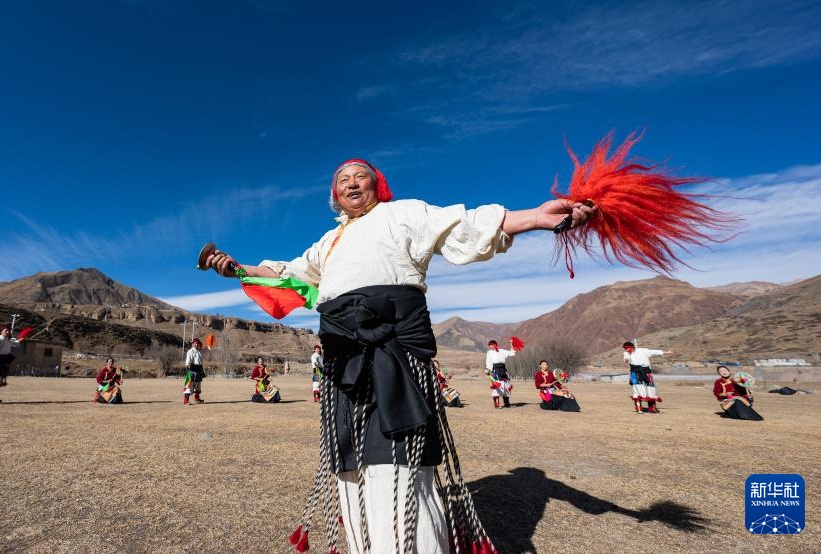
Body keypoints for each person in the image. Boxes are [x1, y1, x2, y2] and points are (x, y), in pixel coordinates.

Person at [201, 157, 593, 553]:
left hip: (396, 352)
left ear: (378, 185)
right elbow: (289, 274)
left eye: (361, 177)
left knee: (397, 463)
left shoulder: (404, 213)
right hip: (342, 358)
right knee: (349, 465)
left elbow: (465, 224)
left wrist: (537, 217)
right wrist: (236, 268)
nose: (351, 184)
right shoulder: (329, 242)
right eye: (342, 180)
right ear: (335, 194)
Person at [623, 342, 671, 414]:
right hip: (635, 372)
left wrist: (667, 352)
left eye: (627, 348)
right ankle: (639, 408)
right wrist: (627, 357)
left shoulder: (643, 351)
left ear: (632, 347)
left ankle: (652, 408)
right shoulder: (626, 353)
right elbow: (626, 359)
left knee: (651, 389)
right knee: (637, 389)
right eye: (625, 348)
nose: (626, 349)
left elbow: (654, 352)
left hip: (646, 371)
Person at [485, 339, 515, 409]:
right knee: (497, 387)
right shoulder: (489, 353)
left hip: (503, 370)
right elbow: (488, 362)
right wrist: (489, 370)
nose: (491, 346)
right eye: (490, 345)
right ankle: (497, 404)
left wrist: (511, 344)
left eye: (492, 345)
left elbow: (512, 353)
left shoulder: (502, 351)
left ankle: (507, 403)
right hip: (495, 371)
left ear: (496, 345)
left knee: (506, 386)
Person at [183, 338, 205, 405]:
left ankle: (197, 399)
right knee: (189, 386)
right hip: (192, 370)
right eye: (195, 343)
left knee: (198, 386)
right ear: (192, 344)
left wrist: (202, 371)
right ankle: (186, 400)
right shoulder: (190, 352)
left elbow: (200, 362)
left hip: (199, 371)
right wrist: (187, 369)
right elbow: (187, 362)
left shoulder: (199, 352)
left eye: (197, 343)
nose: (196, 344)